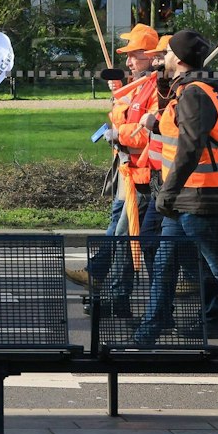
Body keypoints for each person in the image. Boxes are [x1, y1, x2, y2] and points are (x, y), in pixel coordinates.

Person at [132, 30, 218, 349]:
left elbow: (192, 145)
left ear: (179, 60)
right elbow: (182, 129)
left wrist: (167, 192)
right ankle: (147, 334)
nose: (161, 58)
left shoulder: (196, 93)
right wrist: (156, 122)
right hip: (184, 200)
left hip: (200, 200)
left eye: (166, 53)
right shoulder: (187, 90)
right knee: (164, 269)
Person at [71, 25, 163, 310]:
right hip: (130, 171)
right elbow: (125, 120)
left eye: (134, 56)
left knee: (131, 238)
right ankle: (123, 295)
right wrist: (120, 97)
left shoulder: (155, 88)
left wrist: (119, 133)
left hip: (145, 176)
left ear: (150, 56)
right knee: (127, 235)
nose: (128, 62)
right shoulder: (138, 86)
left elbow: (146, 130)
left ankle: (119, 290)